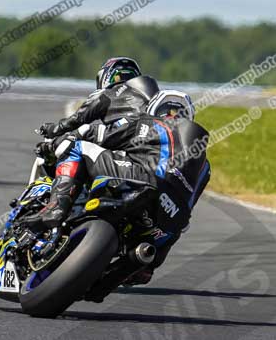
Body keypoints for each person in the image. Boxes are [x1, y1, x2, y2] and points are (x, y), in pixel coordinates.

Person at [20, 90, 212, 298]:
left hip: (141, 180)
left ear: (155, 108)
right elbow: (188, 208)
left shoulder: (147, 121)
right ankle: (138, 268)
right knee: (172, 232)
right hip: (168, 223)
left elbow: (96, 133)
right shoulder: (204, 166)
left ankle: (56, 208)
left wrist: (53, 144)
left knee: (76, 148)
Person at [36, 57, 159, 139]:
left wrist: (52, 129)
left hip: (126, 138)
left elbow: (77, 119)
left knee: (76, 144)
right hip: (158, 136)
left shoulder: (105, 94)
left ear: (105, 77)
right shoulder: (153, 89)